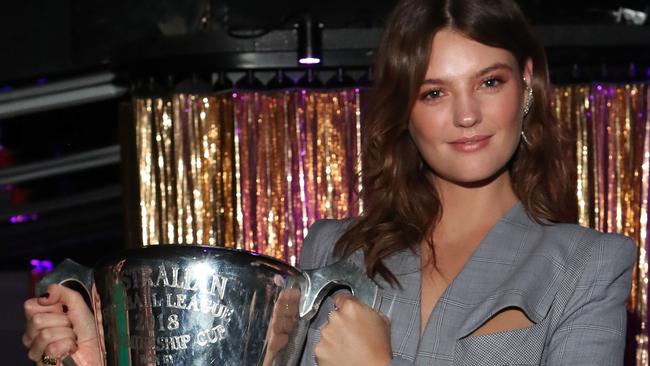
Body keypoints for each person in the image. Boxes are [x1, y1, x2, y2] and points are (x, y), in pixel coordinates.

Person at [23, 0, 636, 365]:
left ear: (527, 82)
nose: (467, 115)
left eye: (490, 81)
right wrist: (98, 355)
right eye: (434, 92)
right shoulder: (334, 252)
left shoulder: (588, 266)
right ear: (404, 109)